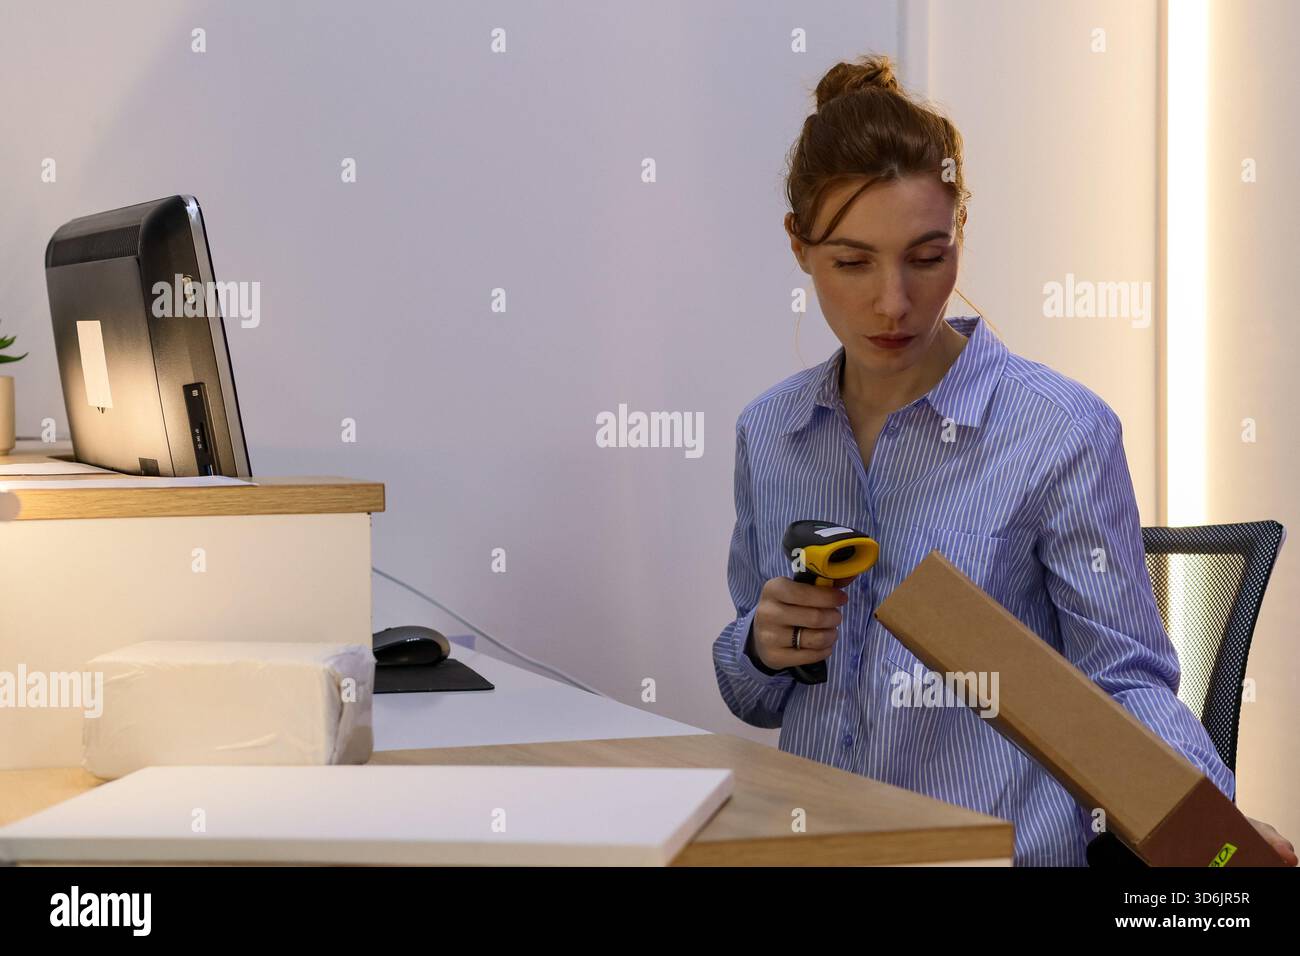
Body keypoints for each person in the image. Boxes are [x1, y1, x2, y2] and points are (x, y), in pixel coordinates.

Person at [712, 53, 1296, 867]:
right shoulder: (771, 433)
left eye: (927, 257)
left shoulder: (1058, 431)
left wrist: (1207, 831)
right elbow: (752, 694)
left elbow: (1124, 684)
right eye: (852, 262)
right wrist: (760, 645)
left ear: (960, 237)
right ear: (799, 247)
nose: (893, 301)